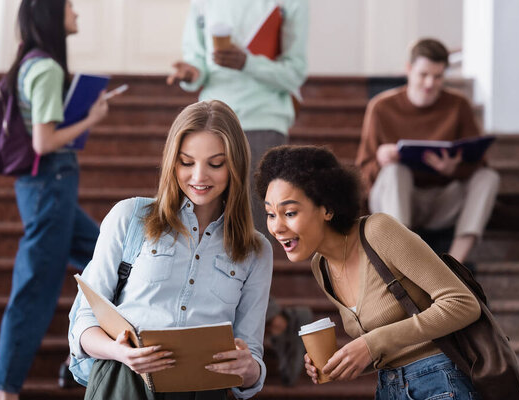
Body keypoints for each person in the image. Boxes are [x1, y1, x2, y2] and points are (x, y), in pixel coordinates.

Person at [69, 100, 273, 399]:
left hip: (203, 391)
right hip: (123, 382)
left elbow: (250, 357)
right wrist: (119, 351)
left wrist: (249, 368)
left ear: (236, 165)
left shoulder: (256, 251)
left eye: (216, 163)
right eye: (186, 162)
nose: (199, 177)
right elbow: (85, 322)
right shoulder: (129, 217)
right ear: (171, 162)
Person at [255, 145, 482, 399]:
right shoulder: (321, 267)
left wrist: (370, 344)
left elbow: (463, 303)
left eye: (289, 213)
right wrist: (346, 361)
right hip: (390, 387)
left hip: (439, 382)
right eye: (270, 214)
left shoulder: (378, 232)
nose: (277, 227)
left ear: (327, 209)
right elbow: (388, 346)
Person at [167, 0, 311, 385]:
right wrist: (187, 73)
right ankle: (278, 323)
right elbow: (196, 67)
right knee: (206, 232)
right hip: (213, 119)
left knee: (247, 238)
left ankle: (251, 337)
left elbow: (296, 72)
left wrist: (247, 63)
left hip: (263, 121)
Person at [0, 1, 109, 399]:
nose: (76, 14)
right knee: (34, 290)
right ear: (51, 15)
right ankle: (6, 391)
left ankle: (85, 357)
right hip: (48, 189)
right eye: (70, 8)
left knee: (108, 260)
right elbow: (43, 142)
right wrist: (91, 119)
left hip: (48, 190)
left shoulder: (34, 63)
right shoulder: (46, 68)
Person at [355, 38, 500, 264]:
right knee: (395, 172)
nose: (430, 83)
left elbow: (479, 163)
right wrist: (382, 159)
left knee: (488, 178)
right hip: (396, 201)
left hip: (441, 200)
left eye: (438, 76)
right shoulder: (381, 107)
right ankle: (405, 264)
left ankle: (454, 266)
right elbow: (362, 175)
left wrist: (453, 169)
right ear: (409, 69)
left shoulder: (458, 105)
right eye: (423, 75)